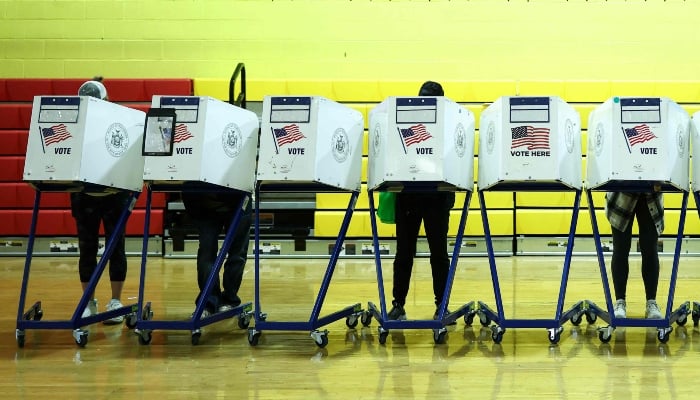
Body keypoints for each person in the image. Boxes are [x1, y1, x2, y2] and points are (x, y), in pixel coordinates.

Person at [387, 80, 456, 323]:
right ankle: (398, 304)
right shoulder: (403, 120)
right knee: (404, 253)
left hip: (436, 196)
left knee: (438, 253)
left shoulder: (449, 124)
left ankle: (442, 304)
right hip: (408, 194)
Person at [73, 78, 131, 324]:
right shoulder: (74, 125)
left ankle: (115, 300)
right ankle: (89, 300)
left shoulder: (120, 121)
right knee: (87, 247)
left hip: (114, 195)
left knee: (115, 247)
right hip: (84, 194)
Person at [181, 187, 252, 318]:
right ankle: (209, 302)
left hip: (238, 195)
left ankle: (227, 299)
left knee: (235, 253)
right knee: (208, 252)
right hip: (204, 197)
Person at [606, 191, 664, 319]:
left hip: (650, 192)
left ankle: (651, 302)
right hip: (621, 192)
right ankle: (620, 302)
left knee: (650, 248)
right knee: (621, 248)